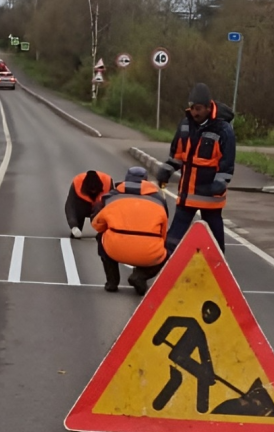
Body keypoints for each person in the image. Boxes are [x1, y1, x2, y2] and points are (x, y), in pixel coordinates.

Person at [156, 83, 236, 254]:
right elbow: (177, 156)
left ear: (209, 107)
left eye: (198, 108)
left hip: (211, 200)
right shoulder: (185, 125)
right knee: (171, 242)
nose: (195, 113)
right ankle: (145, 275)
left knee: (214, 248)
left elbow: (227, 162)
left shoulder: (223, 129)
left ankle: (218, 274)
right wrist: (167, 169)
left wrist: (220, 183)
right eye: (192, 108)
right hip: (187, 196)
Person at [91, 166, 169, 295]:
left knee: (101, 236)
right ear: (146, 181)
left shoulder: (110, 197)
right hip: (148, 252)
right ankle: (141, 275)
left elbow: (97, 225)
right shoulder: (159, 200)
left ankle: (112, 282)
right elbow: (163, 231)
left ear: (126, 179)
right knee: (168, 249)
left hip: (115, 249)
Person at [64, 170, 114, 238]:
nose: (93, 192)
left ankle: (102, 230)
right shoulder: (77, 182)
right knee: (78, 207)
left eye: (95, 191)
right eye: (91, 191)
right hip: (83, 205)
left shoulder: (107, 182)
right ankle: (78, 228)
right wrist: (73, 226)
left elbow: (113, 206)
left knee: (104, 207)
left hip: (99, 206)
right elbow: (70, 206)